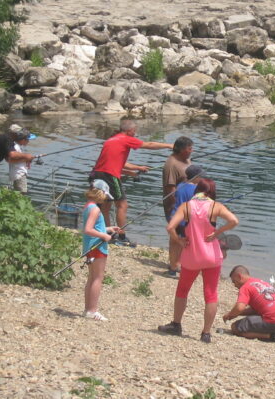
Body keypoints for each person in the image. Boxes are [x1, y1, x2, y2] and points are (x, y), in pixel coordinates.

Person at [158, 178, 238, 343]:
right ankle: (206, 333)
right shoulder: (216, 206)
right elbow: (234, 221)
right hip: (212, 257)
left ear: (198, 190)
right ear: (211, 192)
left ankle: (176, 324)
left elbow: (170, 227)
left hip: (192, 256)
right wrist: (218, 232)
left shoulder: (186, 206)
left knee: (182, 290)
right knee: (210, 294)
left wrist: (179, 241)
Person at [88, 118, 173, 247]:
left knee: (105, 206)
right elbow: (148, 145)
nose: (135, 133)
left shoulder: (112, 140)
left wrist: (137, 169)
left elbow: (116, 164)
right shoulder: (126, 138)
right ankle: (122, 236)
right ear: (130, 130)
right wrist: (169, 146)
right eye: (134, 131)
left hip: (97, 174)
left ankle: (107, 232)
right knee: (122, 205)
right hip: (109, 176)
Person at [81, 183, 122, 322]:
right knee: (97, 278)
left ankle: (87, 310)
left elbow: (95, 227)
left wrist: (108, 229)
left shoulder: (88, 206)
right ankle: (92, 310)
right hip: (97, 247)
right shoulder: (95, 210)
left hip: (89, 246)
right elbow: (88, 229)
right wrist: (105, 236)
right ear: (100, 193)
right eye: (105, 195)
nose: (105, 199)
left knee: (91, 278)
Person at [222, 265, 275, 343]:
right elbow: (256, 310)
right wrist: (237, 314)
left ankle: (272, 336)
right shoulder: (260, 282)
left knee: (235, 328)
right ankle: (270, 332)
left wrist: (230, 315)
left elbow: (239, 308)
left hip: (274, 320)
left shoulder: (245, 287)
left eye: (234, 282)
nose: (235, 285)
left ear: (240, 276)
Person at [162, 136, 194, 277]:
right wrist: (176, 208)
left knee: (185, 232)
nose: (191, 151)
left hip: (189, 204)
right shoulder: (171, 164)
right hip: (176, 205)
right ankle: (173, 266)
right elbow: (170, 189)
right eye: (189, 149)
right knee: (176, 232)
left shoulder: (186, 160)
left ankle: (180, 262)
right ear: (181, 149)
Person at [8, 130, 37, 194]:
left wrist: (26, 159)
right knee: (22, 194)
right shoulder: (16, 147)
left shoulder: (16, 146)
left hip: (18, 174)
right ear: (23, 140)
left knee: (19, 194)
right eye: (27, 140)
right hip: (19, 174)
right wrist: (26, 159)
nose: (28, 141)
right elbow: (11, 160)